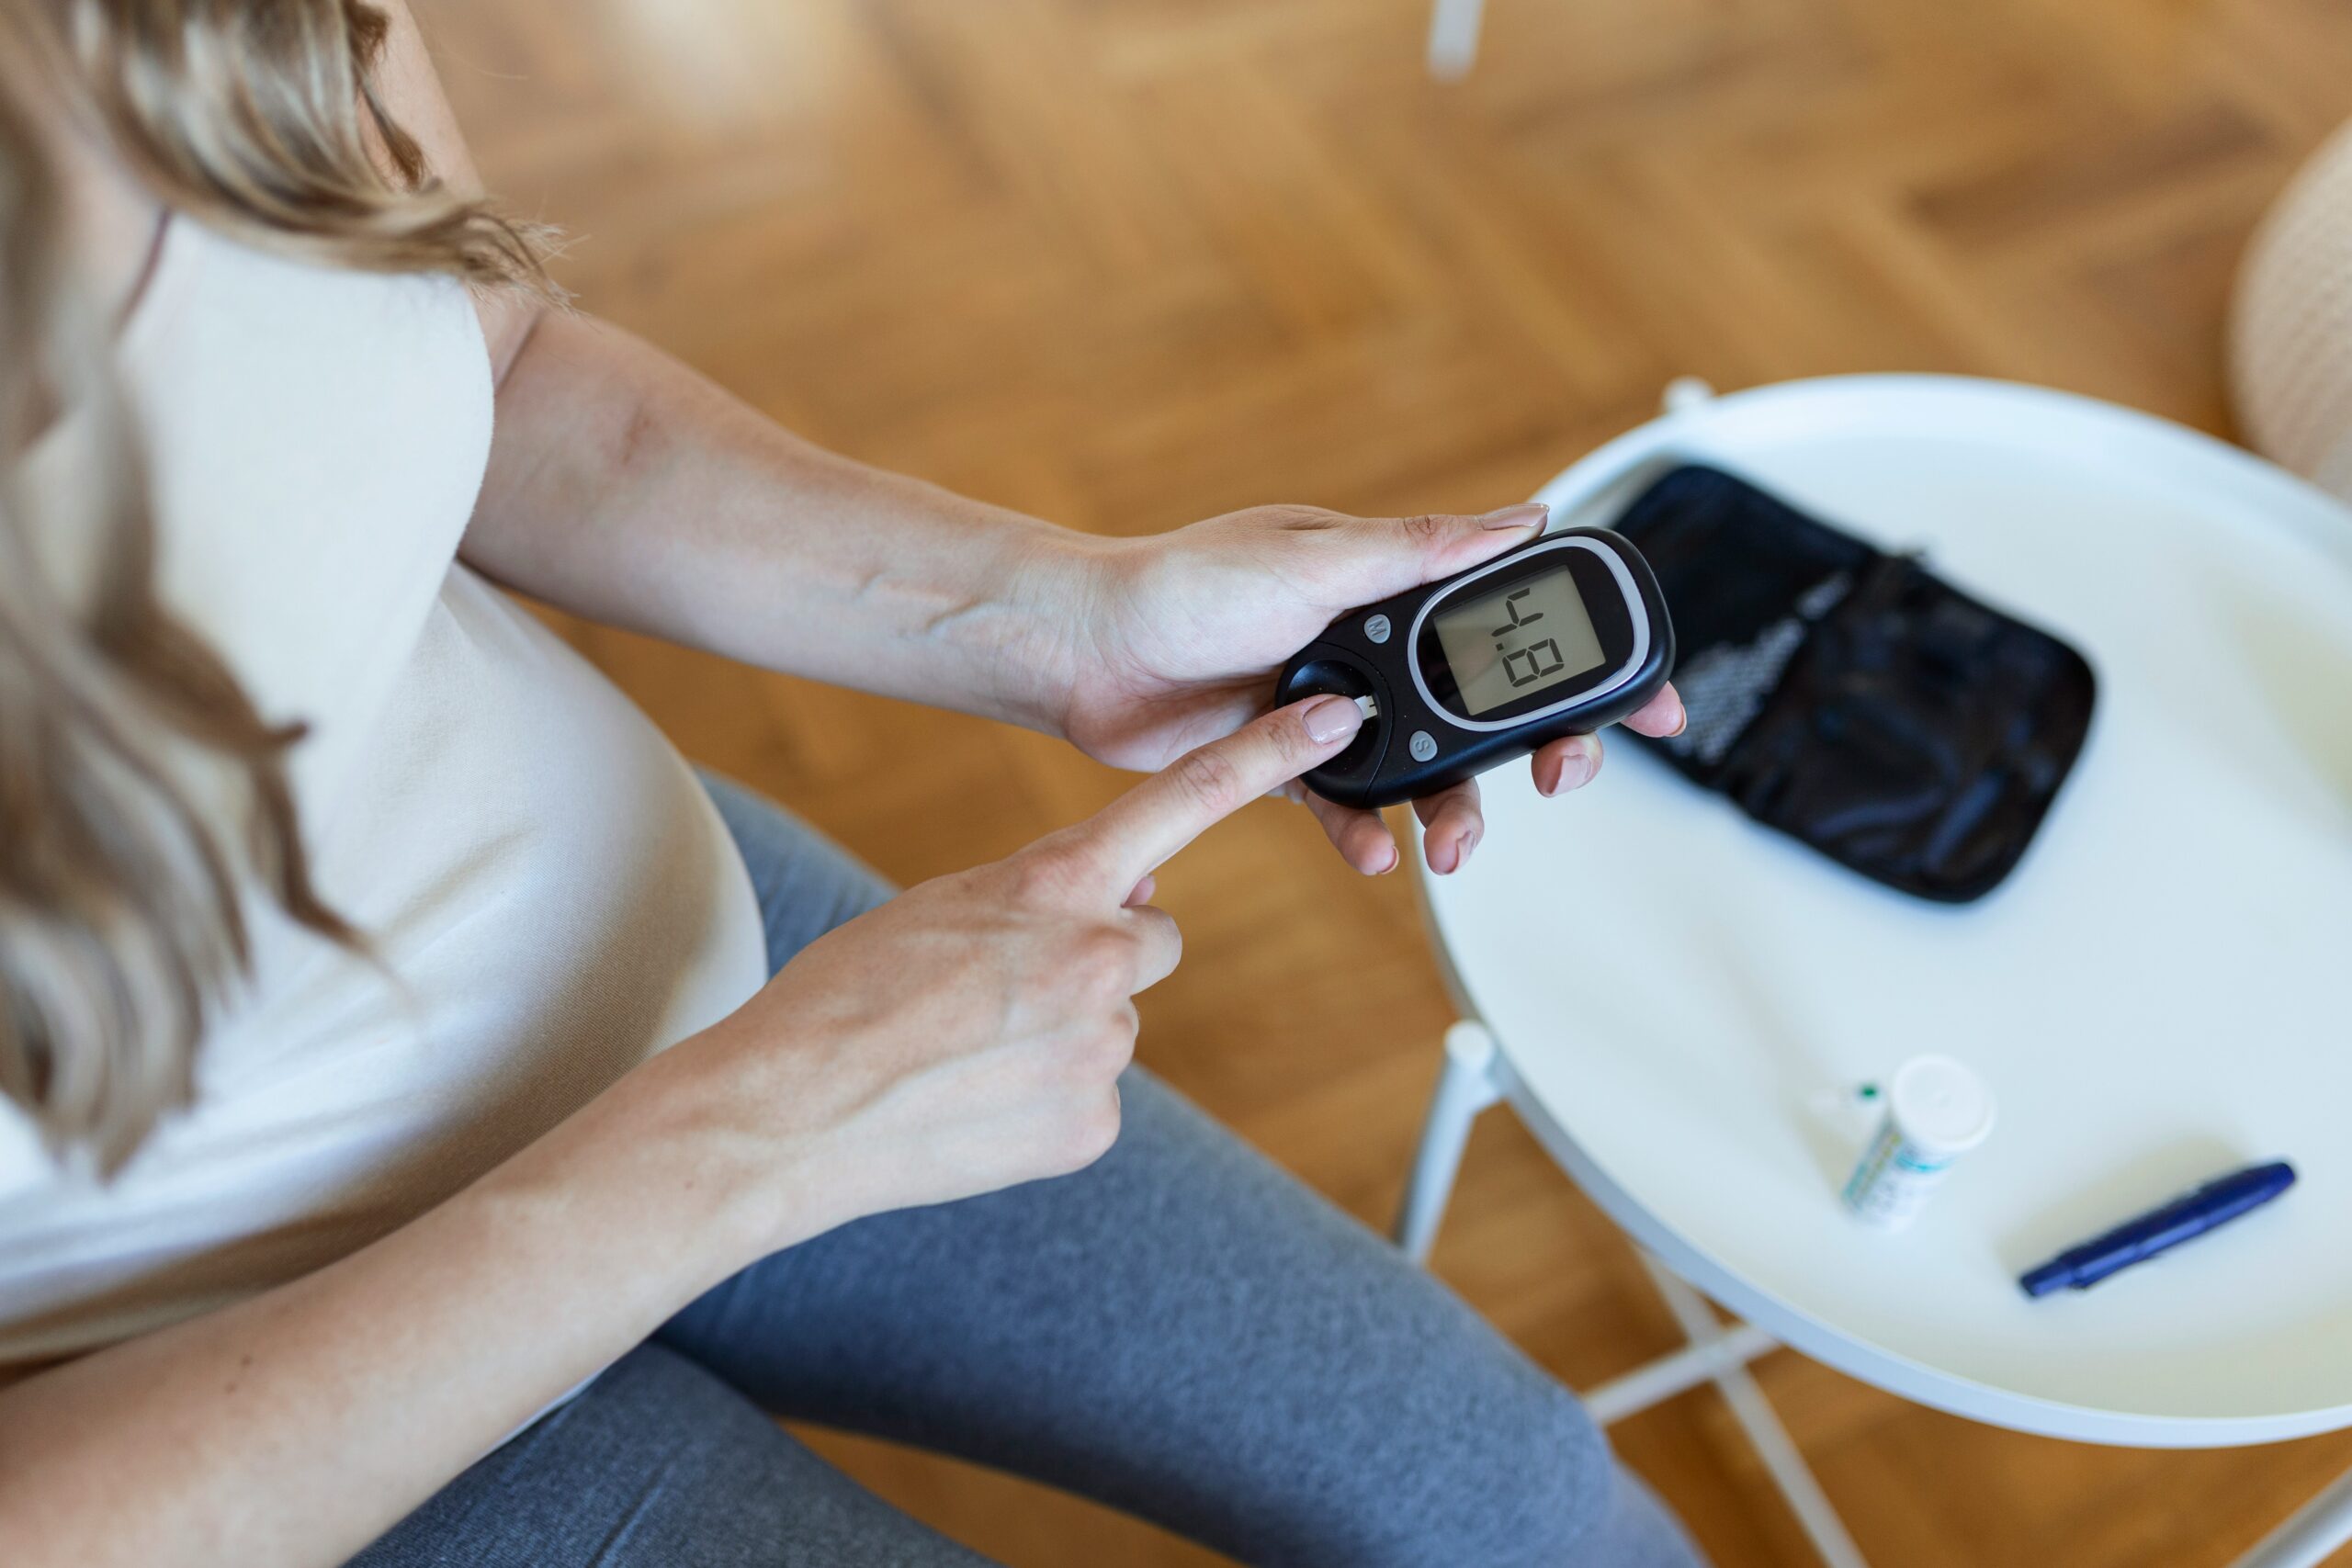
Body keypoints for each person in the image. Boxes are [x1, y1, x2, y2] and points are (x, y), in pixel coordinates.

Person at [0, 3, 1700, 1564]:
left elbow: (497, 366)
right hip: (243, 1422)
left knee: (1528, 1504)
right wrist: (765, 1131)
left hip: (682, 951)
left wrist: (1069, 624)